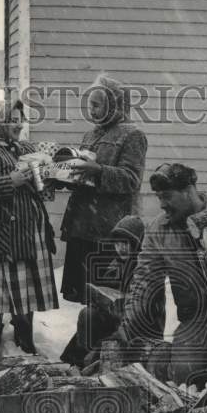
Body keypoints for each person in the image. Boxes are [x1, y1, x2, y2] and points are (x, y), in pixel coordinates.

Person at [0, 99, 59, 354]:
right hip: (2, 236)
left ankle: (25, 342)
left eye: (20, 120)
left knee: (24, 293)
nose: (18, 125)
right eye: (12, 120)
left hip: (27, 235)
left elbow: (39, 186)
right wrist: (10, 181)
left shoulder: (19, 148)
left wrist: (48, 175)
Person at [114, 164, 207, 385]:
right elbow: (144, 281)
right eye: (158, 197)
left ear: (189, 190)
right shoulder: (159, 229)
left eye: (167, 196)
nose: (162, 204)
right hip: (195, 317)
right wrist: (128, 323)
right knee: (184, 374)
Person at [59, 74, 148, 303]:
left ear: (114, 105)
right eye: (90, 104)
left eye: (97, 105)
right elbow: (82, 173)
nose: (92, 110)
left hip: (108, 230)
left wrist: (98, 170)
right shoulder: (91, 134)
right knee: (85, 295)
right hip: (82, 226)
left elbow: (131, 179)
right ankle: (87, 334)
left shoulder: (132, 134)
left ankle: (105, 338)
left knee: (107, 296)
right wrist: (60, 173)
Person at [59, 215, 165, 371]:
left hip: (140, 328)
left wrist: (122, 308)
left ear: (136, 244)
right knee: (88, 315)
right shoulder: (115, 265)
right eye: (117, 243)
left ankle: (93, 361)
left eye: (126, 243)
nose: (120, 248)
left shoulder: (146, 269)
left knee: (104, 332)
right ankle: (82, 361)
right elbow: (106, 295)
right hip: (116, 321)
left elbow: (145, 311)